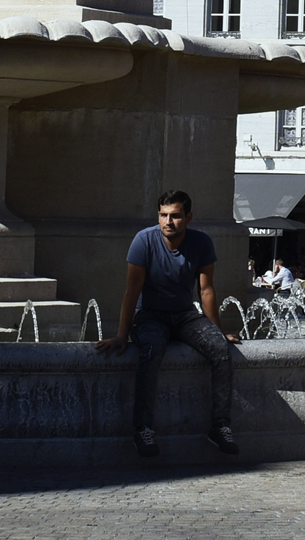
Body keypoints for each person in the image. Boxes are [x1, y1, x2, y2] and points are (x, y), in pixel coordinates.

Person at [95, 190, 241, 458]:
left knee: (221, 350)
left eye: (175, 216)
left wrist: (218, 333)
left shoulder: (202, 243)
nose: (168, 222)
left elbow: (206, 290)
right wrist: (121, 335)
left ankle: (220, 427)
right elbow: (132, 291)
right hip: (150, 315)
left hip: (184, 315)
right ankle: (143, 429)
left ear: (188, 217)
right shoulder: (144, 241)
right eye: (163, 215)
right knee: (151, 350)